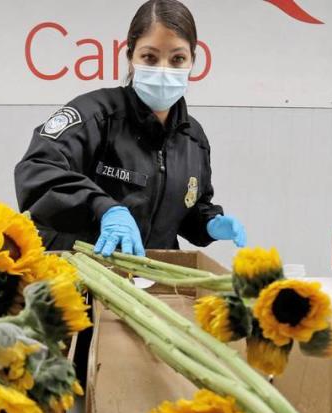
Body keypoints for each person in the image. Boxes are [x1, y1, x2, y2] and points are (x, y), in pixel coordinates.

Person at [14, 0, 247, 257]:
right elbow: (36, 171)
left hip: (147, 284)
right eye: (149, 56)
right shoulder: (95, 115)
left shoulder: (193, 139)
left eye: (177, 58)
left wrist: (209, 223)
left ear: (193, 60)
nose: (163, 70)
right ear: (130, 57)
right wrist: (103, 207)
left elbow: (188, 209)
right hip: (77, 276)